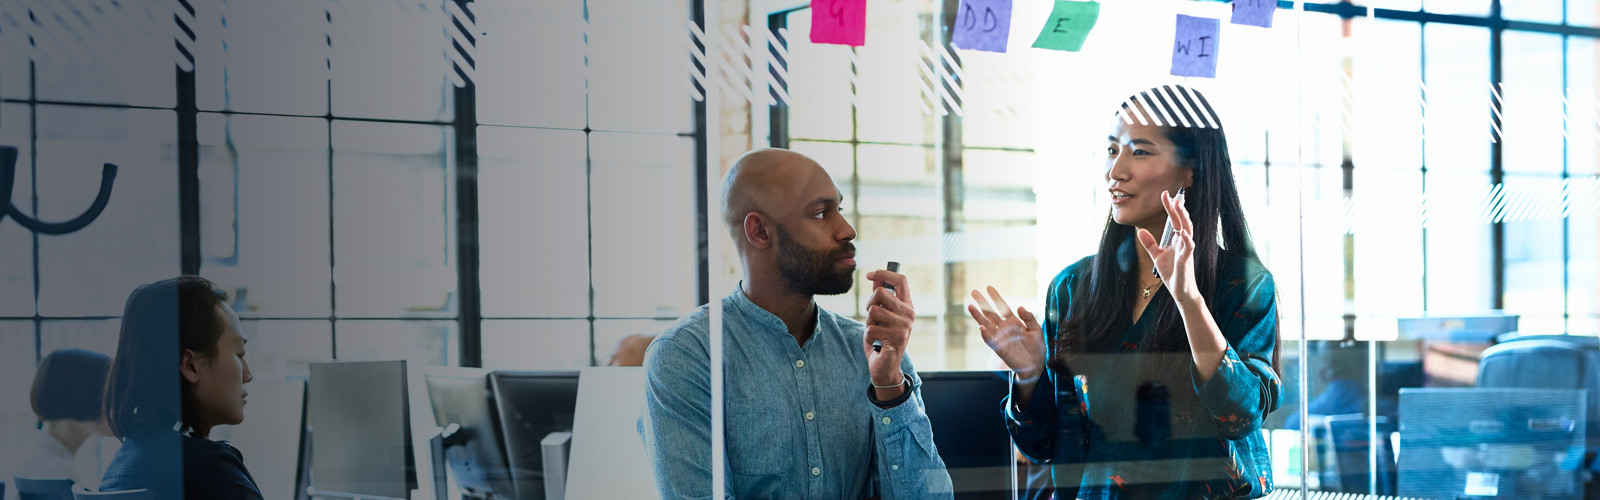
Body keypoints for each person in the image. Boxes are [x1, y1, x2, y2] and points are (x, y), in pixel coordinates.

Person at [968, 85, 1282, 499]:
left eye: (1140, 151)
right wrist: (1029, 375)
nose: (1116, 171)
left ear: (1192, 170)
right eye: (1113, 149)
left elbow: (1239, 417)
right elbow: (1043, 445)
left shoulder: (1243, 284)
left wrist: (1189, 300)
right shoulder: (1072, 288)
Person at [640, 148, 953, 499]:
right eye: (821, 213)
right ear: (759, 232)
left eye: (840, 209)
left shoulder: (873, 353)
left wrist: (890, 387)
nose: (847, 230)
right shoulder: (688, 357)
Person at [99, 276, 262, 499]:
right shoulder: (209, 471)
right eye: (239, 355)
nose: (248, 375)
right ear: (191, 365)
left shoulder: (124, 463)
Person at [15, 349, 115, 489]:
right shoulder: (57, 472)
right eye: (110, 394)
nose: (119, 405)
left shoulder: (38, 460)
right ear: (83, 396)